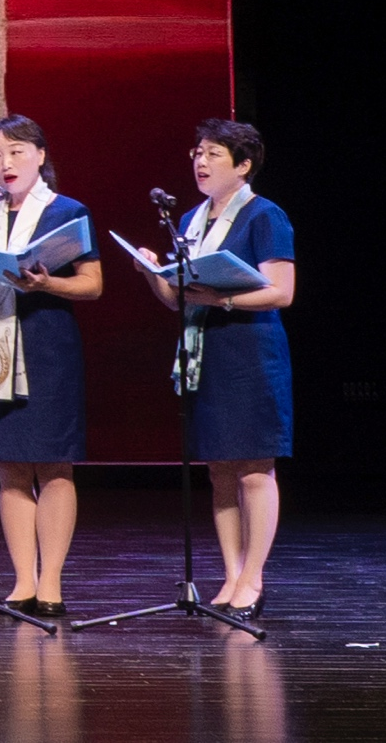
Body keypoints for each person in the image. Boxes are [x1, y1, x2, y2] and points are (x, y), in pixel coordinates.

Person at [126, 119, 293, 617]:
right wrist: (152, 274)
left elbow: (282, 292)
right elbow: (181, 298)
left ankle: (254, 578)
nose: (200, 162)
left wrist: (221, 299)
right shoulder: (192, 220)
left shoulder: (264, 215)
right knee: (219, 469)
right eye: (197, 152)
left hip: (250, 350)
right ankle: (230, 574)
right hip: (205, 351)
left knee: (254, 468)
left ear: (243, 165)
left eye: (213, 154)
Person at [0, 113, 102, 618]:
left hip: (47, 345)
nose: (6, 162)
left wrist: (46, 283)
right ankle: (23, 579)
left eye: (16, 151)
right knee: (10, 464)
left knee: (53, 463)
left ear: (40, 155)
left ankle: (51, 581)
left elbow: (92, 283)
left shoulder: (66, 211)